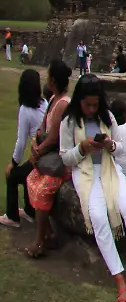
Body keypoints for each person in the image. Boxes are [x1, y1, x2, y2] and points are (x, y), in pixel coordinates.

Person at [59, 74, 126, 302]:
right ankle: (119, 279)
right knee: (98, 217)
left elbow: (120, 148)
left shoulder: (107, 116)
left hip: (110, 168)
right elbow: (65, 158)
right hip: (85, 173)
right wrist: (82, 148)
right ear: (79, 101)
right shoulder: (69, 121)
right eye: (88, 105)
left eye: (95, 104)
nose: (92, 109)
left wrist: (110, 145)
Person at [22, 59, 74, 258]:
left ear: (53, 79)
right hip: (49, 156)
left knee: (43, 190)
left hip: (60, 162)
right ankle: (48, 232)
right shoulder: (53, 100)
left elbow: (54, 138)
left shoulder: (63, 104)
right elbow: (43, 129)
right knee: (31, 179)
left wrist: (37, 152)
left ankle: (39, 240)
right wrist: (36, 143)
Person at [3, 69, 47, 228]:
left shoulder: (25, 110)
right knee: (27, 171)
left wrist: (13, 163)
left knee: (13, 176)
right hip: (45, 154)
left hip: (41, 157)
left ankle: (12, 216)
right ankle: (29, 211)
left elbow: (21, 142)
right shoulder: (44, 103)